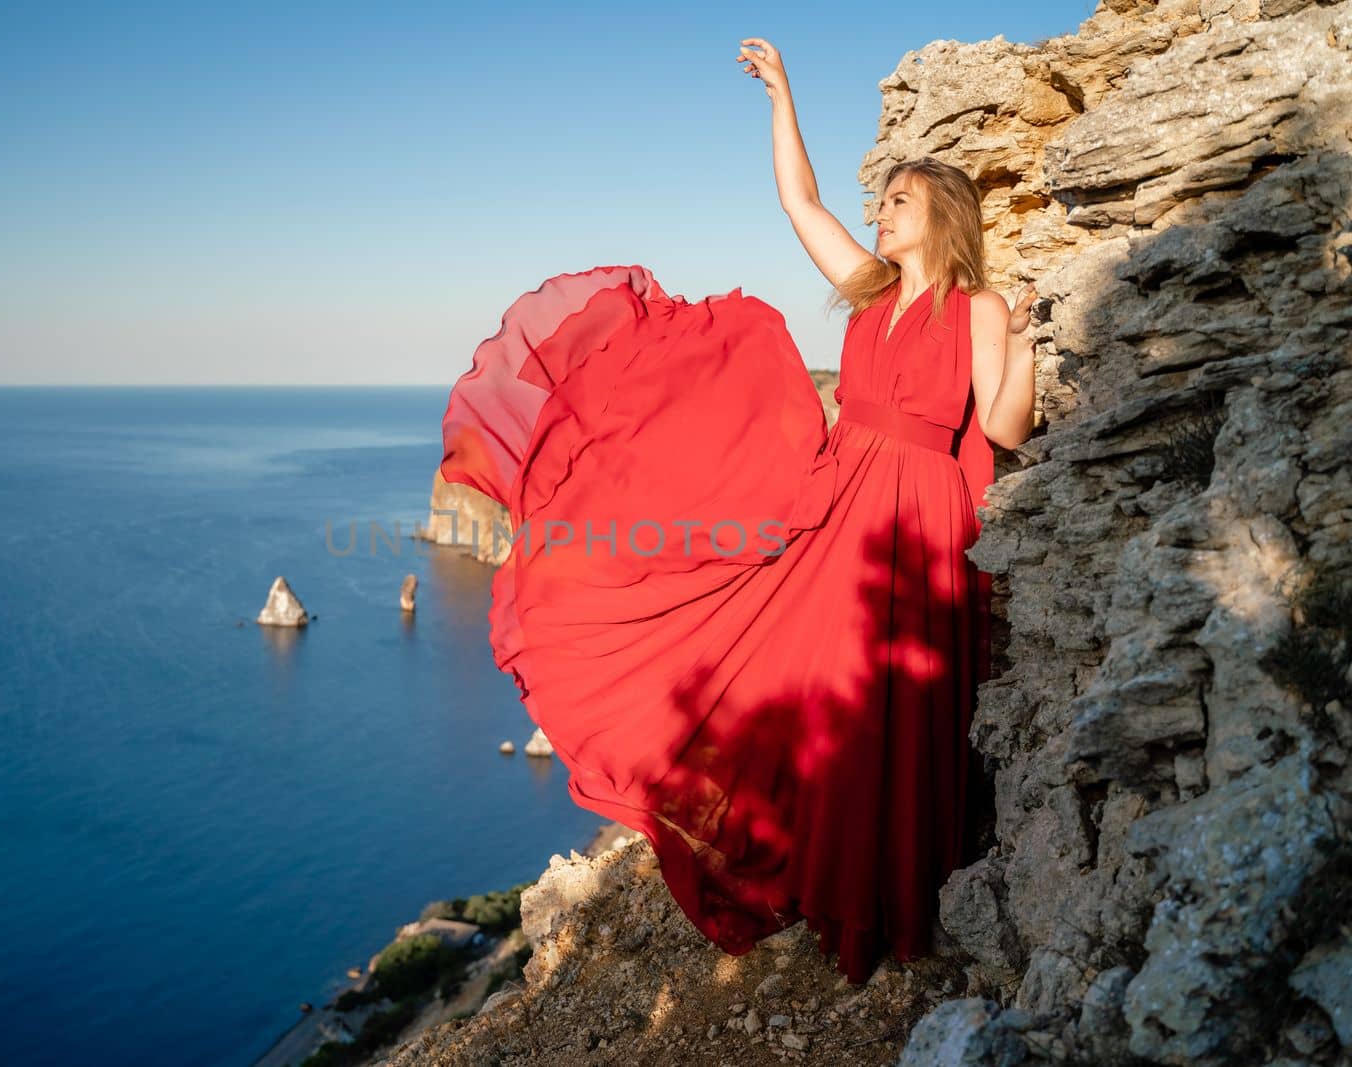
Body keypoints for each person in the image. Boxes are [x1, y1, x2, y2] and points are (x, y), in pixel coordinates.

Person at [438, 37, 1038, 986]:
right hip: (839, 504)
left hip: (920, 520)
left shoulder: (982, 309)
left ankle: (898, 896)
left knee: (899, 702)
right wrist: (782, 98)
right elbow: (801, 203)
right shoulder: (871, 295)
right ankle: (824, 873)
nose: (880, 214)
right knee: (814, 685)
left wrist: (1028, 348)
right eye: (880, 202)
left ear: (943, 217)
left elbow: (1002, 427)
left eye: (898, 203)